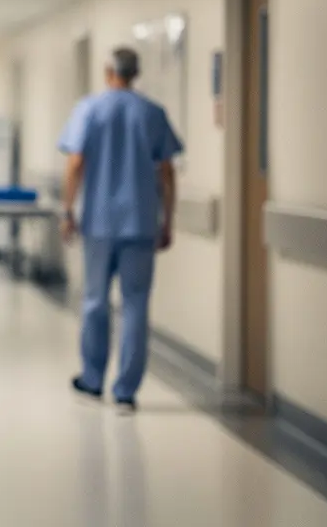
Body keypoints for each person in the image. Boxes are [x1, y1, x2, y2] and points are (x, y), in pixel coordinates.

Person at [58, 47, 183, 412]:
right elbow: (167, 172)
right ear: (136, 72)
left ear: (107, 70)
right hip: (141, 223)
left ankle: (93, 380)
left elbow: (75, 162)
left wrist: (68, 210)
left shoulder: (90, 109)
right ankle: (126, 390)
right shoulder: (153, 113)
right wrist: (168, 219)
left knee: (95, 302)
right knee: (135, 306)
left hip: (98, 223)